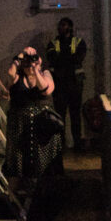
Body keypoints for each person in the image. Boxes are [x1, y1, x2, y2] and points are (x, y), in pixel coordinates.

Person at [2, 46, 62, 186]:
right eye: (27, 62)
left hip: (42, 129)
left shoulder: (45, 74)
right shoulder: (17, 77)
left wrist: (36, 69)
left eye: (33, 61)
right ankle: (14, 195)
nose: (29, 65)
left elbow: (45, 89)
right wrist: (20, 55)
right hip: (19, 128)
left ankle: (43, 192)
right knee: (16, 165)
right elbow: (10, 74)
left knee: (42, 165)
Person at [45, 17, 87, 150]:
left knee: (75, 115)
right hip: (59, 84)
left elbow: (78, 58)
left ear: (70, 27)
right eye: (60, 25)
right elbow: (52, 59)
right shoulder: (53, 43)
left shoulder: (79, 42)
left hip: (75, 84)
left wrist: (62, 59)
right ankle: (60, 144)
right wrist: (68, 58)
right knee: (59, 115)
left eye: (63, 25)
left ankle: (77, 143)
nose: (60, 28)